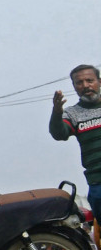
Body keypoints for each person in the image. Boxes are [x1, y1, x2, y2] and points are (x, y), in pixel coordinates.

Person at [50, 64, 101, 216]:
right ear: (74, 86)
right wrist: (57, 112)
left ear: (99, 81)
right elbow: (59, 133)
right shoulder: (72, 114)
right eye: (79, 83)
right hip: (98, 181)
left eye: (89, 80)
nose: (85, 85)